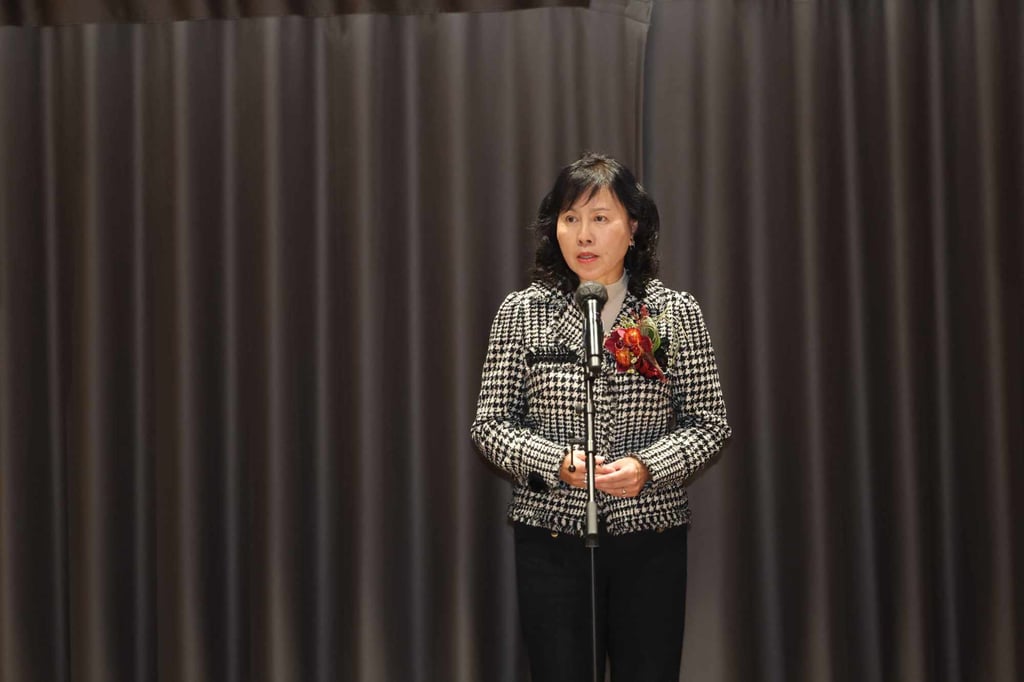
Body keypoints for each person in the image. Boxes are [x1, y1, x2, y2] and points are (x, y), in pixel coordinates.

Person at [470, 153, 731, 682]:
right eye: (570, 218)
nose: (583, 235)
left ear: (633, 227)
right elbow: (490, 424)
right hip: (552, 538)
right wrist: (554, 461)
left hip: (650, 535)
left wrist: (648, 467)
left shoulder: (674, 313)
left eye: (600, 218)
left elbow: (710, 423)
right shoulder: (522, 312)